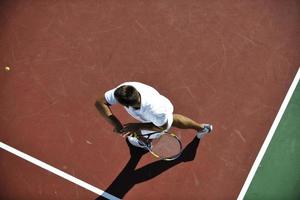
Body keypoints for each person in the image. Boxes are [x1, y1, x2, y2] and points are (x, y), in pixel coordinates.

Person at [95, 82, 212, 148]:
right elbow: (100, 103)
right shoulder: (126, 90)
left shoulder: (156, 111)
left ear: (125, 104)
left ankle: (145, 142)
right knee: (173, 119)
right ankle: (203, 128)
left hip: (159, 117)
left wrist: (136, 127)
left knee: (138, 131)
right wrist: (117, 124)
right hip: (157, 110)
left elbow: (162, 127)